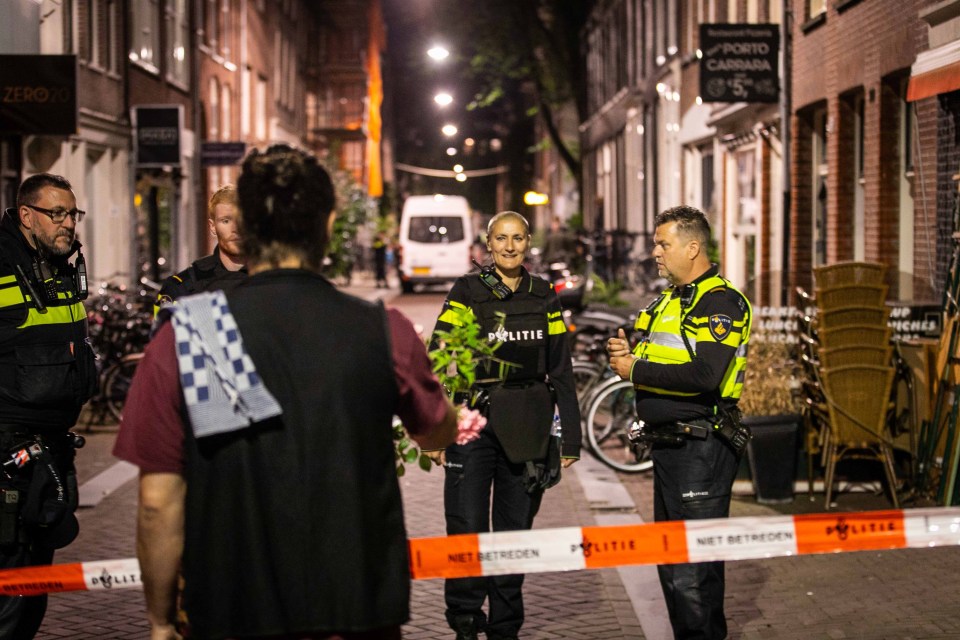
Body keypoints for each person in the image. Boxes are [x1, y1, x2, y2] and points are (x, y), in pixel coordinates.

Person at [114, 144, 464, 640]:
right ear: (327, 225)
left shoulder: (198, 333)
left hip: (235, 609)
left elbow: (157, 501)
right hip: (355, 608)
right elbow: (434, 434)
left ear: (249, 226)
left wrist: (160, 621)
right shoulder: (381, 330)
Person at [426, 211, 581, 640]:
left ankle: (506, 625)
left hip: (528, 427)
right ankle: (464, 618)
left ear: (528, 242)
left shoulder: (544, 293)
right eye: (501, 239)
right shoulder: (467, 290)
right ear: (488, 244)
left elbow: (561, 370)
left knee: (514, 531)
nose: (509, 247)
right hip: (471, 424)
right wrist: (431, 433)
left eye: (517, 238)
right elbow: (439, 357)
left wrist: (570, 439)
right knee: (466, 526)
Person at [606, 205, 752, 640]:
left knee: (692, 571)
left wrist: (633, 370)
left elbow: (705, 376)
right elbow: (662, 358)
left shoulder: (720, 302)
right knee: (673, 564)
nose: (655, 252)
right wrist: (626, 355)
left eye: (663, 243)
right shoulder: (671, 299)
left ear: (693, 247)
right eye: (655, 243)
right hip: (671, 448)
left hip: (701, 448)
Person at [0, 173, 95, 638]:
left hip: (52, 452)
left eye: (72, 214)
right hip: (8, 454)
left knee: (33, 585)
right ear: (26, 215)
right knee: (10, 588)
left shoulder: (57, 265)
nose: (67, 224)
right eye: (56, 213)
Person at [154, 185, 248, 313]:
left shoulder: (273, 280)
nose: (235, 229)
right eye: (225, 221)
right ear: (212, 227)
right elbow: (163, 332)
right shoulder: (180, 288)